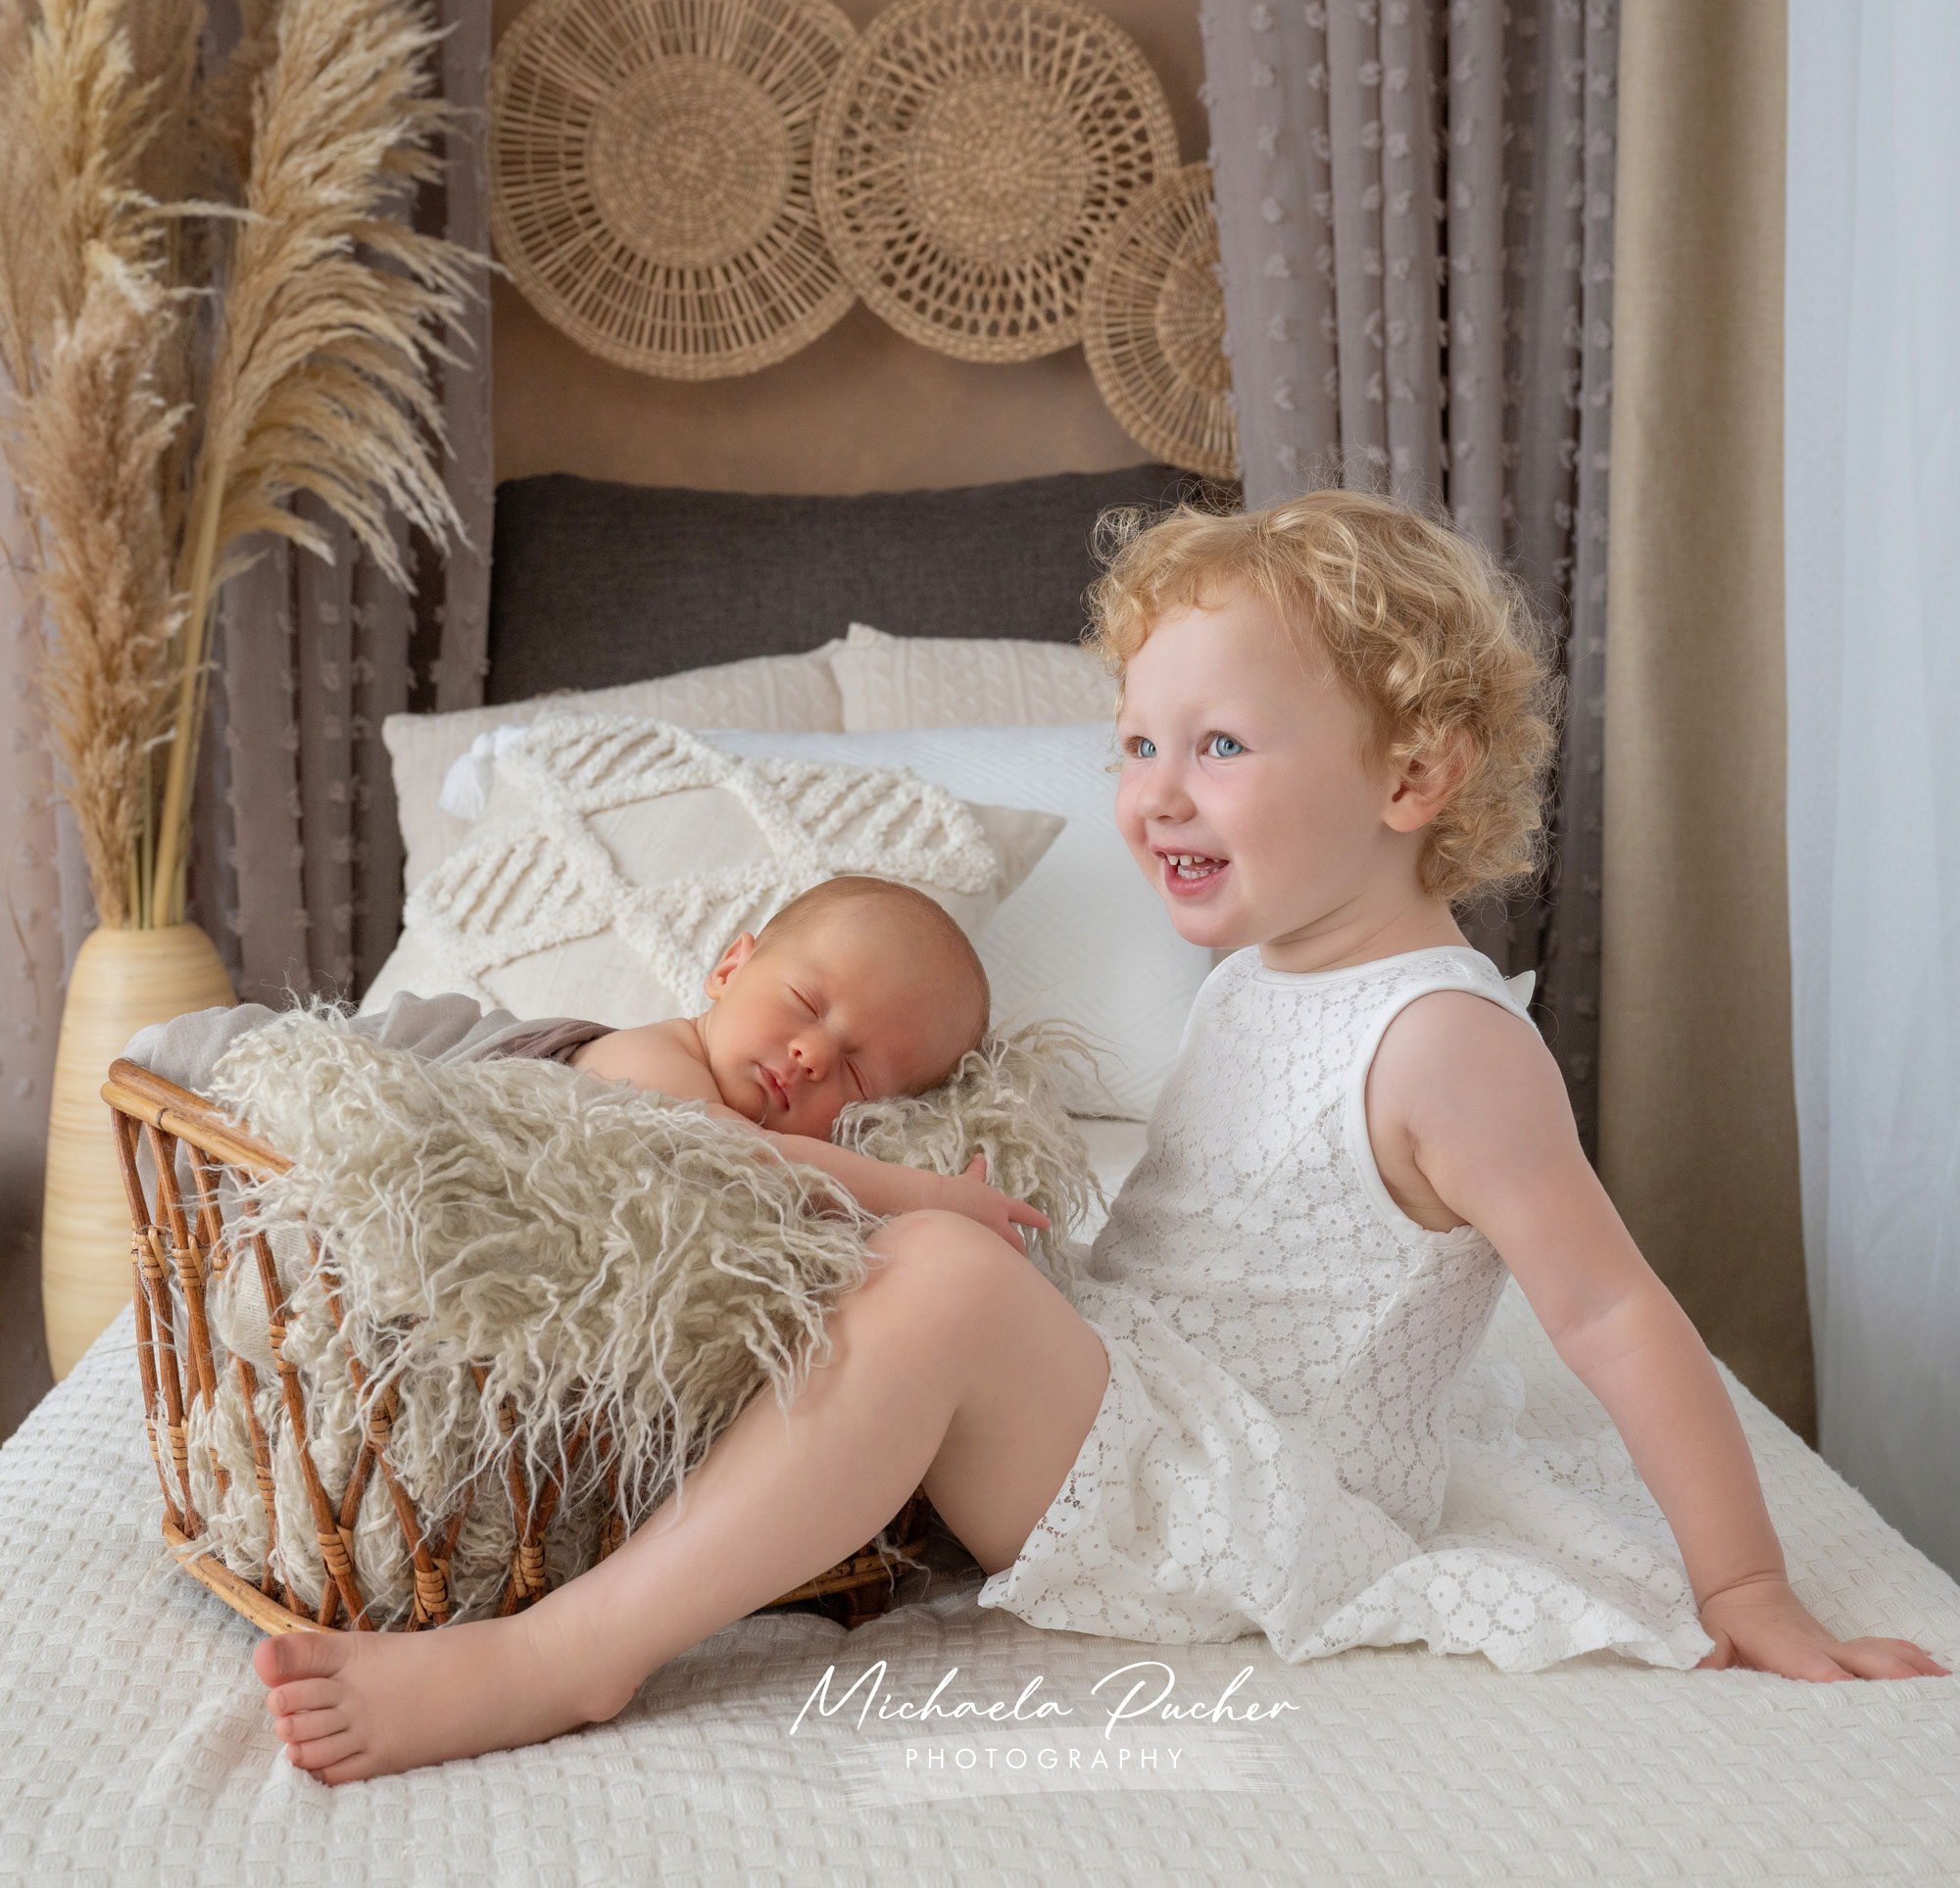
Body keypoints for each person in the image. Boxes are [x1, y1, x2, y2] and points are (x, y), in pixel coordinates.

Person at [258, 491, 1944, 1784]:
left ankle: (573, 1655)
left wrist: (1745, 1591)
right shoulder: (1265, 978)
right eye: (1138, 744)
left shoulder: (1446, 1044)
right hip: (1158, 1409)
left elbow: (1613, 1315)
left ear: (1413, 774)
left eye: (1218, 746)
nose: (1153, 791)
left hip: (1253, 1497)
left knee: (936, 1278)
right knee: (906, 1263)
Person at [487, 874, 1048, 1249]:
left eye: (858, 1074)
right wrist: (936, 1197)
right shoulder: (652, 1057)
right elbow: (749, 1159)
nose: (814, 1055)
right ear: (729, 970)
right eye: (805, 1004)